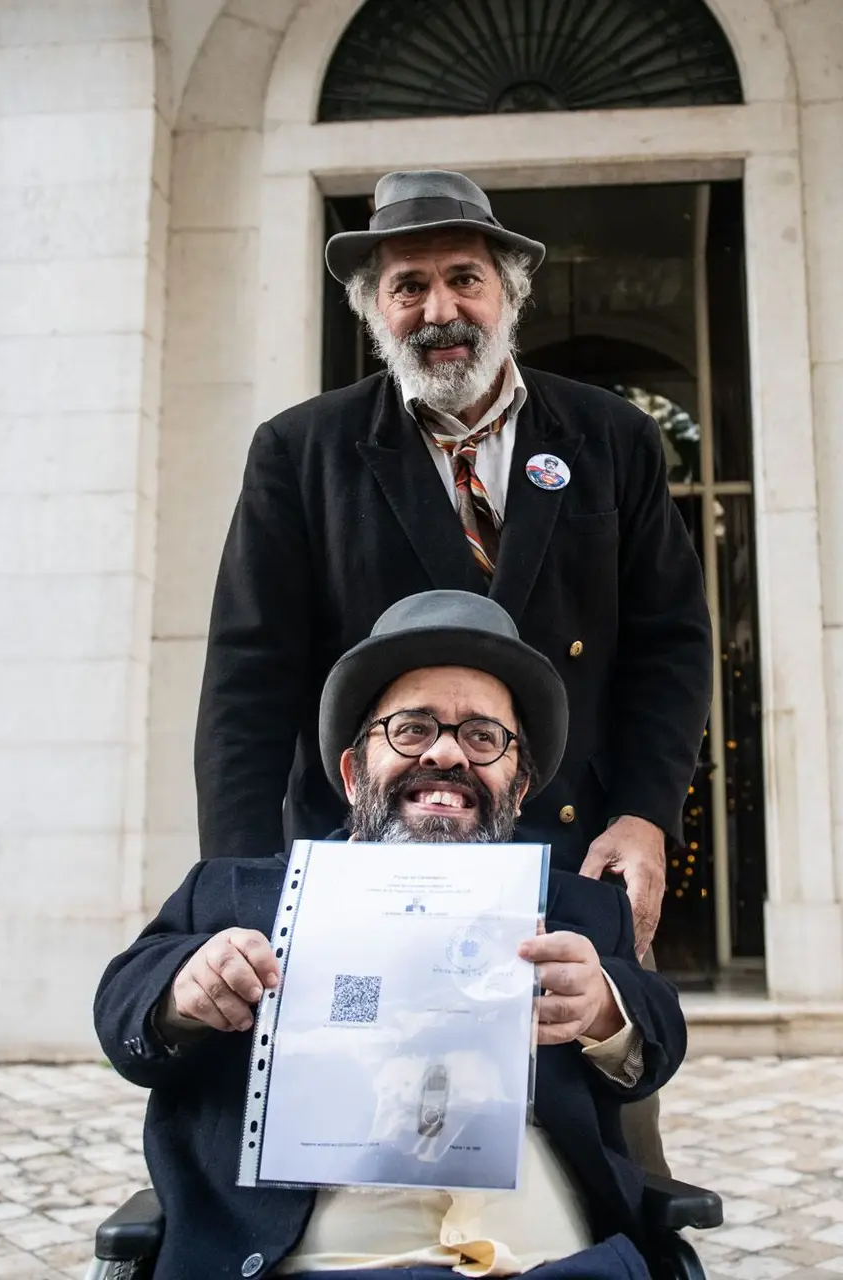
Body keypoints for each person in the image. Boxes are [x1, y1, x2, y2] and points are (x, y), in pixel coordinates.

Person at [194, 169, 711, 973]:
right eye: (409, 287)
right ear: (375, 311)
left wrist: (646, 815)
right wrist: (239, 892)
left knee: (589, 1081)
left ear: (508, 294)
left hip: (571, 861)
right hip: (365, 866)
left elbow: (670, 646)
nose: (440, 311)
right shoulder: (299, 454)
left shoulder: (614, 439)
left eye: (464, 279)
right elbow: (246, 685)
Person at [99, 591, 686, 1280]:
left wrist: (603, 1008)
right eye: (411, 729)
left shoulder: (581, 911)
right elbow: (124, 1010)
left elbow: (657, 1037)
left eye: (483, 737)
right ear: (353, 775)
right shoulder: (237, 894)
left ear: (518, 786)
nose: (447, 755)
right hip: (320, 1263)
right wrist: (181, 989)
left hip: (547, 1263)